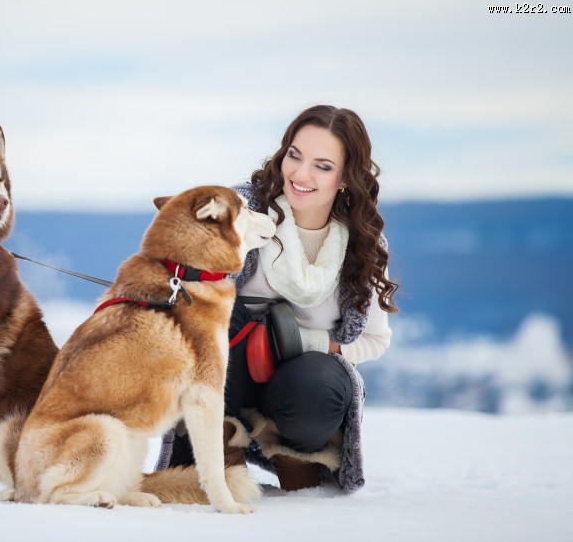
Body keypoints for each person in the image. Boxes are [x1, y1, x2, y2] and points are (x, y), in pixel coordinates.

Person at [154, 104, 398, 493]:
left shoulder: (363, 245)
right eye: (294, 156)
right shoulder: (241, 211)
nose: (300, 174)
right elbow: (182, 294)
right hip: (227, 378)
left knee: (319, 381)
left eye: (322, 165)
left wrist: (313, 343)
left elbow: (375, 340)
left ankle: (297, 463)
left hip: (297, 392)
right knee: (216, 312)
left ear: (346, 178)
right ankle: (218, 450)